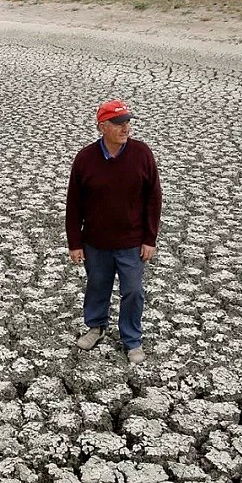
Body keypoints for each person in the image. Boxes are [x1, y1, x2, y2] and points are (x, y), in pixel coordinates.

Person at [65, 99, 162, 365]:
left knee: (132, 290)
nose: (125, 128)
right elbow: (74, 202)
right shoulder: (86, 158)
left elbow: (154, 198)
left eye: (127, 122)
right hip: (96, 241)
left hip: (131, 242)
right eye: (118, 123)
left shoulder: (142, 154)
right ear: (102, 127)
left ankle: (132, 340)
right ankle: (96, 327)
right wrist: (75, 242)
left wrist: (149, 238)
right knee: (98, 286)